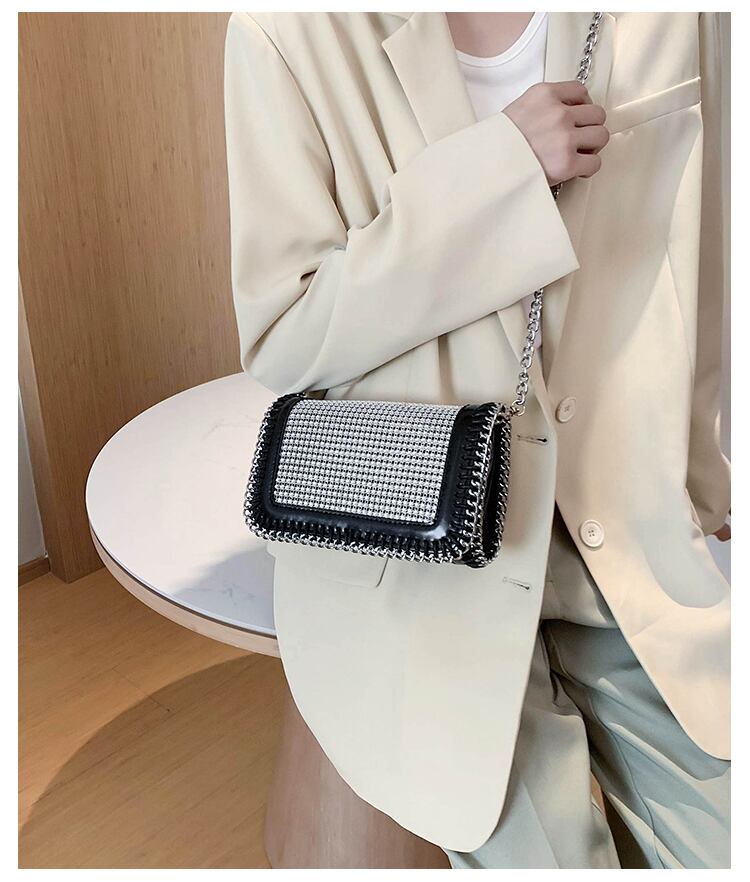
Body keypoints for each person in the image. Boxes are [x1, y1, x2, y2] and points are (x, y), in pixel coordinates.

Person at [223, 11, 730, 869]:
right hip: (420, 560)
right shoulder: (287, 31)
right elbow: (285, 329)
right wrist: (501, 173)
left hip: (626, 532)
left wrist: (701, 472)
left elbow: (702, 249)